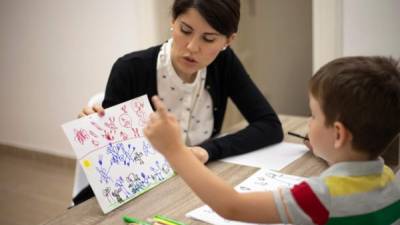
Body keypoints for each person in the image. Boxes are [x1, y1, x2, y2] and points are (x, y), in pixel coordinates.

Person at [144, 56, 400, 225]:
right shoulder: (390, 180)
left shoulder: (319, 196)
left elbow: (232, 207)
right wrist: (329, 151)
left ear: (339, 134)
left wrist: (174, 150)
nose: (308, 123)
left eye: (313, 115)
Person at [74, 0, 283, 205]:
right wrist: (96, 131)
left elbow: (270, 126)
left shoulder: (223, 63)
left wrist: (207, 150)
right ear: (173, 21)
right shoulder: (130, 69)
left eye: (208, 39)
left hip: (190, 189)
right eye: (185, 30)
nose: (192, 47)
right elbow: (112, 167)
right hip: (137, 194)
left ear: (228, 41)